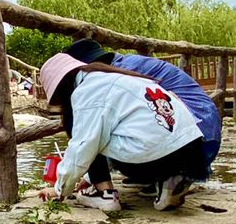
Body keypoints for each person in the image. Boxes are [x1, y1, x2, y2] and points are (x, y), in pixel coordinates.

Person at [37, 51, 205, 213]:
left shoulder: (87, 92)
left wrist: (60, 189)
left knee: (92, 138)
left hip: (158, 154)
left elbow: (83, 145)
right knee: (105, 132)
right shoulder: (112, 78)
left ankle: (105, 194)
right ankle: (171, 180)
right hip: (192, 148)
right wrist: (88, 177)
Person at [63, 39, 222, 194]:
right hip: (207, 136)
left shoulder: (107, 78)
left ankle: (170, 174)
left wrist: (86, 176)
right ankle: (174, 176)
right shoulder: (128, 64)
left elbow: (93, 134)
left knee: (100, 133)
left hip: (190, 137)